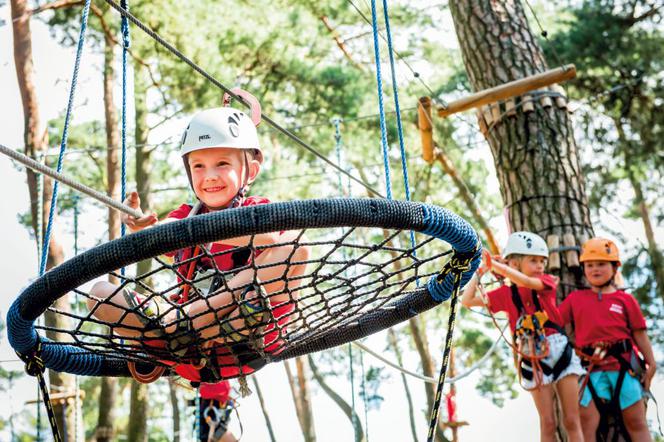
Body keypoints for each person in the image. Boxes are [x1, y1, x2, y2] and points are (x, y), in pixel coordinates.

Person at [86, 91, 310, 382]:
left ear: (250, 171)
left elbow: (275, 244)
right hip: (192, 351)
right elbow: (163, 232)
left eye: (222, 164)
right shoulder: (185, 217)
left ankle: (185, 323)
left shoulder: (258, 211)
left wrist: (214, 230)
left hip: (245, 333)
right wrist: (144, 228)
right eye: (199, 166)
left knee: (296, 245)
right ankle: (174, 333)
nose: (210, 175)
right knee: (100, 294)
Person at [461, 232, 584, 442]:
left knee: (571, 420)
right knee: (547, 423)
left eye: (542, 261)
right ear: (516, 263)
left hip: (558, 349)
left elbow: (527, 281)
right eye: (533, 260)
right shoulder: (506, 295)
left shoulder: (546, 282)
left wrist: (497, 266)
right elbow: (468, 300)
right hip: (531, 356)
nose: (540, 266)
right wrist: (480, 271)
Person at [559, 238, 656, 442]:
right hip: (591, 370)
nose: (595, 269)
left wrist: (651, 363)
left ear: (614, 267)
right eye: (590, 265)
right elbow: (553, 322)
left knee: (637, 422)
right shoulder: (575, 299)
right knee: (586, 423)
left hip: (624, 368)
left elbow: (639, 333)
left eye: (601, 264)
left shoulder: (625, 300)